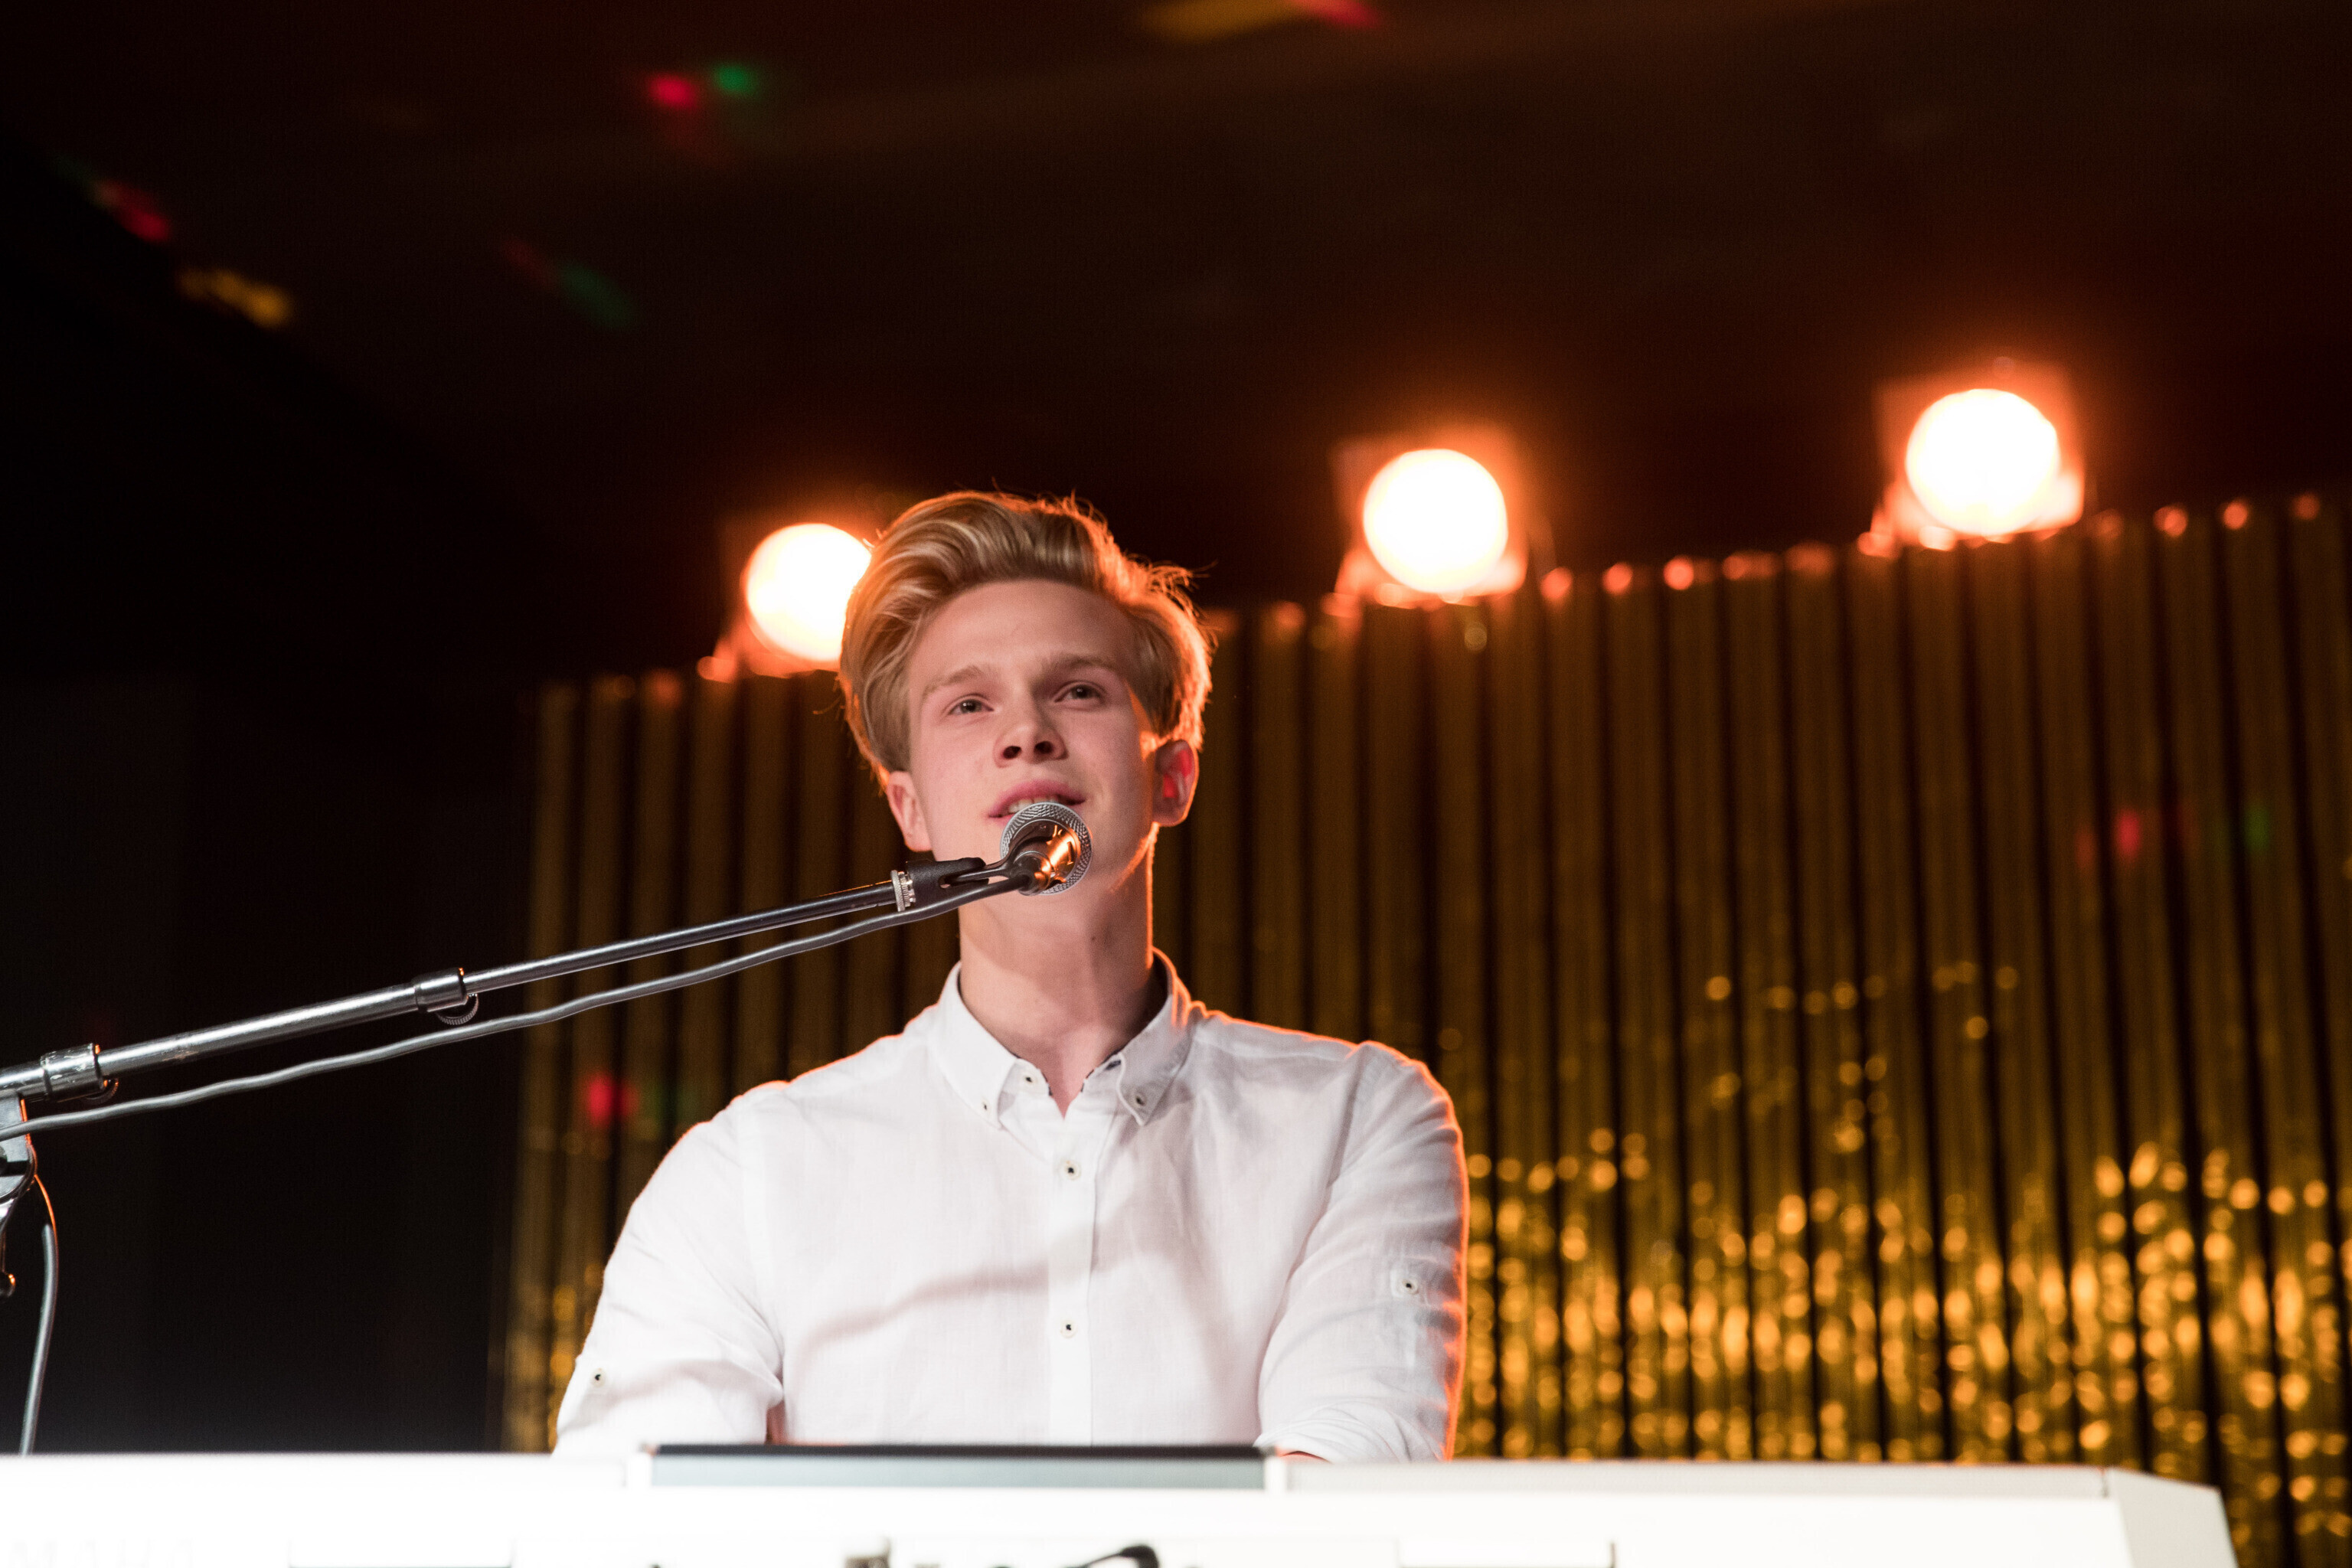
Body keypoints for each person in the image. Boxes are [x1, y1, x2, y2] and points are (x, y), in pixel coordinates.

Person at [554, 492, 1466, 1460]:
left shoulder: (1356, 1116)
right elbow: (626, 1511)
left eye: (1078, 690)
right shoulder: (748, 1169)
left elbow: (1344, 1491)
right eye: (969, 703)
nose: (1025, 732)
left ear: (1173, 776)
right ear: (910, 809)